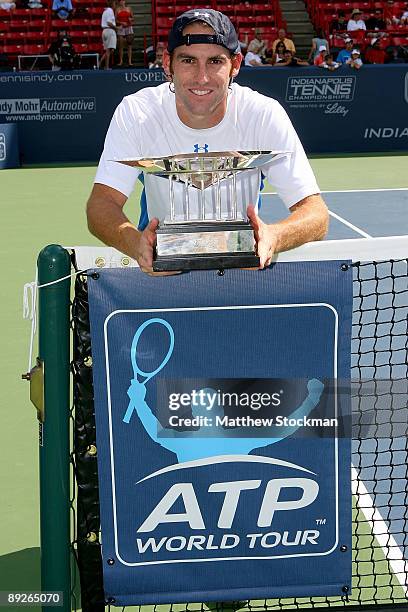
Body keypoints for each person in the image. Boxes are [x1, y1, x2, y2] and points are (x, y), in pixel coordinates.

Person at [86, 9, 328, 275]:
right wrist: (137, 245)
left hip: (241, 275)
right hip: (161, 277)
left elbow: (316, 214)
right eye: (188, 61)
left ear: (235, 64)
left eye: (215, 61)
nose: (202, 77)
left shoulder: (263, 115)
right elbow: (101, 205)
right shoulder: (137, 113)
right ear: (168, 64)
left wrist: (274, 236)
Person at [116, 0, 134, 66]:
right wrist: (121, 23)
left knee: (129, 44)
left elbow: (133, 18)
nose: (122, 2)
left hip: (129, 27)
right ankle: (121, 61)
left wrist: (130, 19)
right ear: (119, 2)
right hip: (121, 28)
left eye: (123, 0)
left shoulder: (129, 8)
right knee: (121, 46)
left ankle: (129, 61)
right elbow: (116, 20)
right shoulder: (117, 9)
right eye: (120, 1)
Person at [100, 0, 117, 70]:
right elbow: (109, 23)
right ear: (112, 4)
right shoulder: (110, 11)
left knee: (111, 50)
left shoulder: (105, 11)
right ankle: (106, 66)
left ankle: (100, 62)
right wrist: (117, 28)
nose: (115, 5)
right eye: (115, 3)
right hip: (109, 30)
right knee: (108, 50)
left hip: (104, 31)